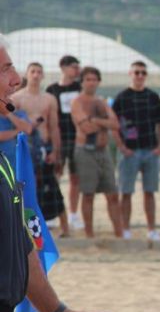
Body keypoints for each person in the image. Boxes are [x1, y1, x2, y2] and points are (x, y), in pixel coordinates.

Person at [0, 36, 112, 312]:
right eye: (5, 69)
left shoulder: (6, 163)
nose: (14, 79)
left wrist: (57, 310)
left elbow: (21, 246)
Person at [112, 61, 160, 241]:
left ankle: (151, 229)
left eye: (143, 73)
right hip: (129, 151)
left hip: (150, 150)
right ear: (130, 74)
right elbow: (114, 125)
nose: (140, 76)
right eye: (137, 72)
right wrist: (121, 147)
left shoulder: (153, 97)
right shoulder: (121, 97)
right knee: (126, 192)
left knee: (149, 192)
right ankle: (125, 229)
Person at [12, 62, 68, 236]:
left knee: (52, 188)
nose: (36, 75)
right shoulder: (17, 98)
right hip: (24, 147)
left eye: (39, 72)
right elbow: (12, 125)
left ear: (43, 76)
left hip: (44, 147)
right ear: (27, 74)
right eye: (33, 71)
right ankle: (26, 230)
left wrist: (55, 151)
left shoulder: (49, 99)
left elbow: (54, 126)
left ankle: (65, 229)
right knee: (25, 189)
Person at [70, 67, 123, 239]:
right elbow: (85, 128)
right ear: (82, 82)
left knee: (113, 194)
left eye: (94, 79)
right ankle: (89, 234)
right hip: (85, 151)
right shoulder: (77, 102)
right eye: (88, 79)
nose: (91, 82)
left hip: (103, 151)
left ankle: (119, 234)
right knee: (88, 194)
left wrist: (96, 120)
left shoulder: (101, 102)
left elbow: (116, 124)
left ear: (99, 82)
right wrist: (103, 123)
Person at [46, 55, 82, 231]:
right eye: (74, 67)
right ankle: (53, 213)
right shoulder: (52, 89)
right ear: (63, 67)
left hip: (77, 138)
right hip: (59, 138)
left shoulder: (80, 87)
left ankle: (74, 214)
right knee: (54, 177)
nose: (77, 70)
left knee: (76, 178)